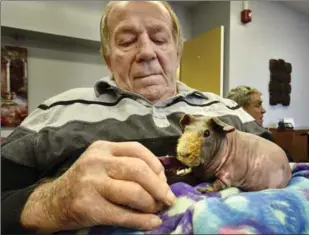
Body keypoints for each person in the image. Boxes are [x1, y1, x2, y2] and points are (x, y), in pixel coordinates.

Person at [2, 1, 277, 234]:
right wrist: (54, 202)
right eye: (126, 41)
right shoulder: (55, 111)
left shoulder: (227, 110)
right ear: (108, 59)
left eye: (159, 39)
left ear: (178, 52)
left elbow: (290, 176)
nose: (146, 52)